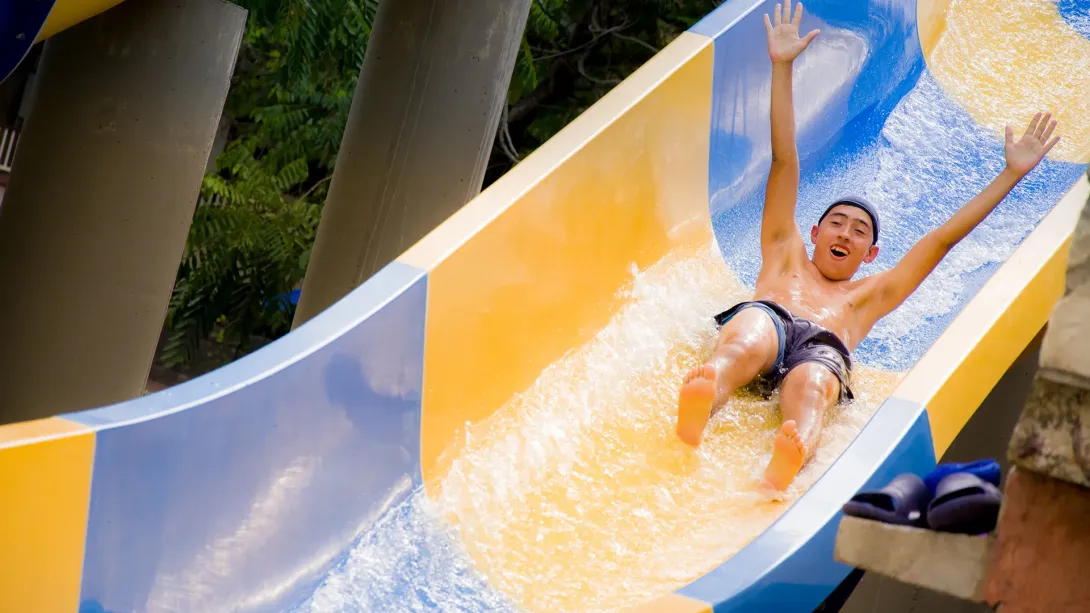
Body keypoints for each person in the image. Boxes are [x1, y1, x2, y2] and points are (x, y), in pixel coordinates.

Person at [675, 0, 1062, 490]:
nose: (845, 233)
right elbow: (784, 159)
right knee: (750, 331)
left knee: (814, 386)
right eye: (836, 223)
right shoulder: (784, 250)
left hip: (821, 349)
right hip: (770, 318)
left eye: (859, 232)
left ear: (870, 255)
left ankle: (790, 452)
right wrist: (782, 67)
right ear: (815, 233)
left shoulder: (870, 296)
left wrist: (1010, 175)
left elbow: (943, 239)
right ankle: (707, 392)